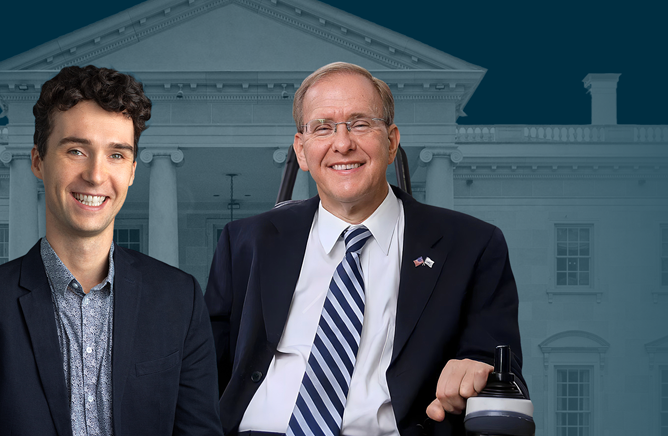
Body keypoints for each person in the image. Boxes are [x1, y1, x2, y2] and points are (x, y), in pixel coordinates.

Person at [205, 62, 526, 436]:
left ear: (391, 142)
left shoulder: (471, 245)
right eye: (323, 128)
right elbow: (204, 370)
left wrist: (477, 374)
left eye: (360, 124)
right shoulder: (245, 240)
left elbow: (502, 374)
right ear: (302, 151)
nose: (342, 144)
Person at [0, 65, 222, 436]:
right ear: (37, 162)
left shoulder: (180, 300)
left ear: (131, 171)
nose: (96, 175)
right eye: (76, 150)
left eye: (116, 155)